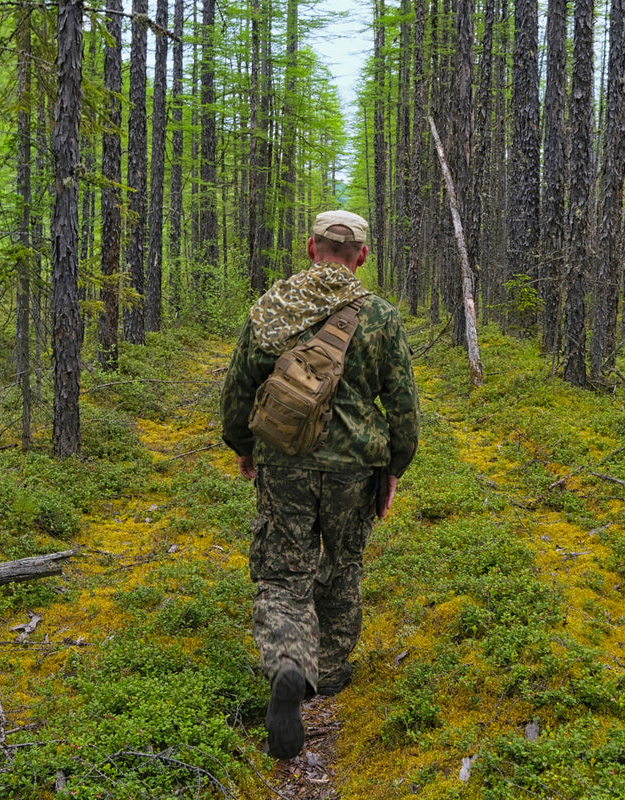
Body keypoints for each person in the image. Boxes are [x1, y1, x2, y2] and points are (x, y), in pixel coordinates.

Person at [220, 210, 419, 760]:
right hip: (356, 467)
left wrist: (243, 446)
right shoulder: (378, 316)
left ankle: (289, 664)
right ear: (361, 256)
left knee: (283, 571)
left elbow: (239, 388)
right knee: (342, 563)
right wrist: (395, 466)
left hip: (284, 460)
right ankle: (328, 672)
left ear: (311, 248)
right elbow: (402, 404)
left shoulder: (272, 309)